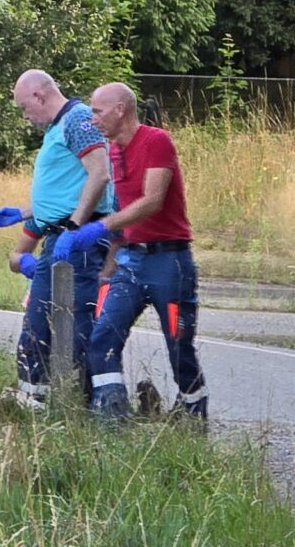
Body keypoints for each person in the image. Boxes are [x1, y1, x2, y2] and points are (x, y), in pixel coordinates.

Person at [59, 81, 206, 421]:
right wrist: (109, 264)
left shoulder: (156, 141)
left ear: (120, 110)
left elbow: (152, 201)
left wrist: (99, 227)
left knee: (177, 342)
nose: (93, 119)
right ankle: (112, 416)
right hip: (130, 264)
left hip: (169, 265)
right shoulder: (113, 151)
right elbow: (125, 212)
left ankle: (193, 415)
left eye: (98, 111)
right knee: (102, 337)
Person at [0, 69, 112, 408]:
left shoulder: (77, 119)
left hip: (76, 238)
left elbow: (99, 173)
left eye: (25, 108)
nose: (26, 117)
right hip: (58, 234)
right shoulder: (57, 128)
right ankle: (34, 399)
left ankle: (98, 402)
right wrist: (25, 213)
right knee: (40, 321)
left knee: (74, 323)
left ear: (40, 96)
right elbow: (66, 190)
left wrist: (75, 227)